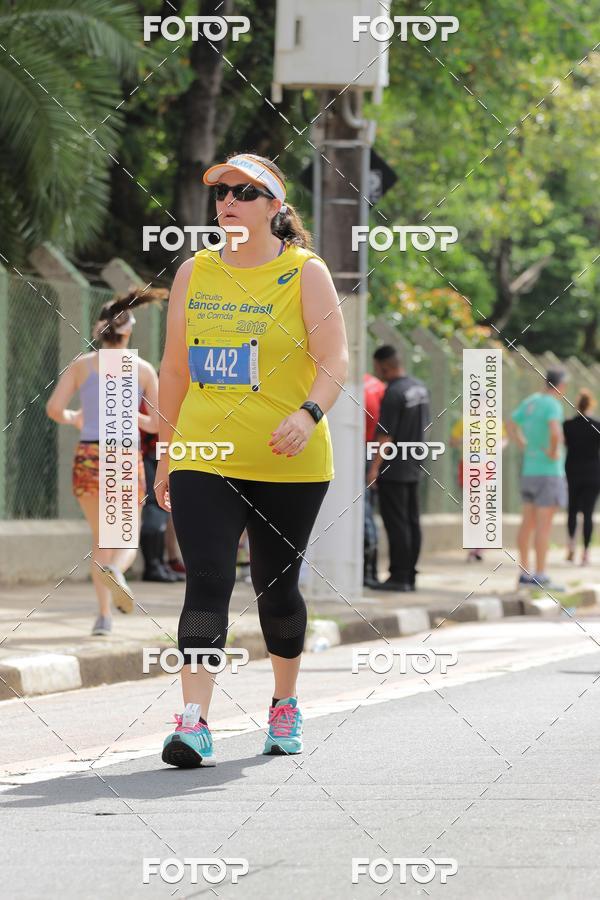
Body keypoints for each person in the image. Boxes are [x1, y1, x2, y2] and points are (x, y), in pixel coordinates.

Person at [155, 152, 348, 767]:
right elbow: (175, 368)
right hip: (204, 450)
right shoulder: (194, 272)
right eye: (221, 194)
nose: (228, 202)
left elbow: (334, 362)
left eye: (244, 192)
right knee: (206, 578)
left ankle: (284, 704)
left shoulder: (304, 272)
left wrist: (309, 414)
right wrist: (165, 451)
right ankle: (193, 721)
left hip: (288, 456)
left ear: (274, 206)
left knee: (275, 585)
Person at [45, 289, 161, 635]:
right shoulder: (142, 370)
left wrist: (76, 417)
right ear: (128, 332)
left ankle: (104, 618)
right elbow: (156, 423)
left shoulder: (81, 367)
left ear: (100, 330)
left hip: (89, 456)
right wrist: (131, 415)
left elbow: (53, 409)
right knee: (125, 539)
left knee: (100, 538)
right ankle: (119, 572)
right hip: (123, 454)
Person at [367, 345, 430, 592]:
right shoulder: (419, 387)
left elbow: (386, 437)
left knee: (397, 523)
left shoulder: (393, 392)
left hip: (394, 467)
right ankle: (410, 574)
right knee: (412, 521)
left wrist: (374, 469)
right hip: (415, 461)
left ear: (384, 365)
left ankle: (399, 577)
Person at [507, 368, 568, 588]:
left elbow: (511, 423)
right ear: (560, 386)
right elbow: (555, 432)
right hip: (549, 473)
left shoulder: (530, 402)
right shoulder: (553, 404)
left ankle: (524, 573)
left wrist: (520, 442)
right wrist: (554, 450)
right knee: (544, 527)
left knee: (527, 524)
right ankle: (541, 575)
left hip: (529, 471)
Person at [139, 393, 184, 583]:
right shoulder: (152, 396)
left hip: (162, 454)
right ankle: (152, 566)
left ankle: (159, 563)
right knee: (154, 508)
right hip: (149, 455)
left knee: (162, 510)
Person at [563, 388, 600, 566]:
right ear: (591, 404)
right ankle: (585, 552)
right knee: (588, 514)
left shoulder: (568, 425)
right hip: (593, 473)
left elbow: (566, 445)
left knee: (572, 510)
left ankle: (571, 545)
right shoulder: (597, 426)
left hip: (573, 471)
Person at [364, 371, 386, 587]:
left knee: (364, 514)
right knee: (367, 513)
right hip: (373, 453)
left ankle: (367, 572)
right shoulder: (378, 386)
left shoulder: (361, 386)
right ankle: (369, 572)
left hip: (360, 453)